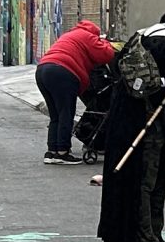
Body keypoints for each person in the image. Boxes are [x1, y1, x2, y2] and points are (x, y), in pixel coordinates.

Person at [97, 7, 165, 242]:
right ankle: (147, 238)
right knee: (150, 178)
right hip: (151, 122)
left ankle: (130, 234)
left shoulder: (139, 36)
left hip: (125, 116)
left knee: (133, 176)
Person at [37, 18, 115, 164]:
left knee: (55, 114)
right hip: (63, 72)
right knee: (66, 112)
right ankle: (63, 152)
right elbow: (106, 54)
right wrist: (105, 42)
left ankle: (51, 151)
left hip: (42, 70)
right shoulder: (89, 36)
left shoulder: (70, 34)